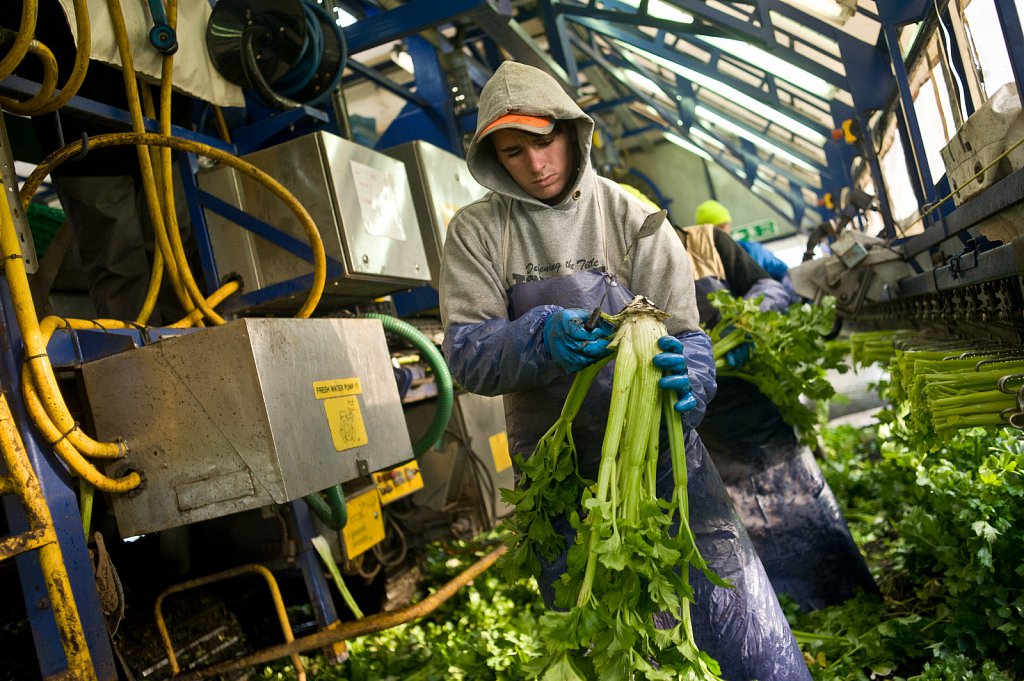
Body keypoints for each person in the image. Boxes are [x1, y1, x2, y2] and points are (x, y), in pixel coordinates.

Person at [439, 61, 809, 680]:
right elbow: (465, 355)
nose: (534, 164)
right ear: (491, 158)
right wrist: (538, 338)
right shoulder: (477, 235)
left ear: (570, 130)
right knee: (604, 640)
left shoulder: (633, 217)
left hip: (666, 457)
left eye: (542, 141)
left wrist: (691, 374)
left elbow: (689, 333)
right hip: (556, 472)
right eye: (512, 152)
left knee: (732, 621)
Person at [675, 218, 878, 611]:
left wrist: (749, 320)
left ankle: (852, 607)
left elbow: (768, 284)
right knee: (745, 547)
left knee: (806, 515)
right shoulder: (621, 273)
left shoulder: (706, 242)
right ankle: (791, 628)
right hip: (702, 437)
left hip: (759, 416)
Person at [694, 199, 795, 293]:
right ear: (704, 233)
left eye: (723, 226)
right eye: (716, 230)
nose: (721, 233)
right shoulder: (702, 265)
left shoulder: (751, 250)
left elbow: (784, 272)